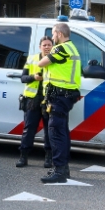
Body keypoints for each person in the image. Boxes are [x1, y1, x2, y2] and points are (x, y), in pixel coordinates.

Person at [37, 22, 81, 184]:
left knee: (55, 133)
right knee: (62, 132)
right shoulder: (72, 47)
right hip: (65, 96)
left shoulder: (60, 48)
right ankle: (64, 169)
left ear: (60, 34)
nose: (53, 37)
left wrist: (44, 54)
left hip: (59, 96)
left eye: (54, 34)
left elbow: (41, 63)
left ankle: (59, 170)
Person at [16, 36, 54, 169]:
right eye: (44, 45)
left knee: (49, 130)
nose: (47, 47)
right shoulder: (32, 59)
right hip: (32, 100)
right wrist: (34, 77)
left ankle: (49, 158)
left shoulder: (55, 61)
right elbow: (23, 78)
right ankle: (23, 156)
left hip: (48, 100)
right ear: (40, 47)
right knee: (29, 129)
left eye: (49, 45)